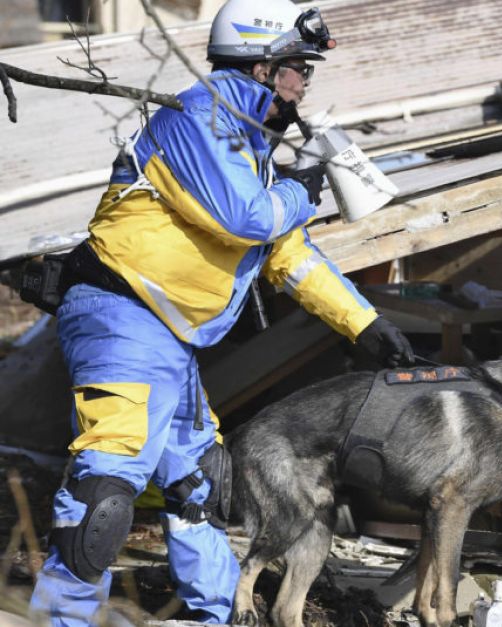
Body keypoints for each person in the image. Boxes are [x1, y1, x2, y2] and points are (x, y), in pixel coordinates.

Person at [28, 0, 413, 623]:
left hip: (169, 335)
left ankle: (218, 615)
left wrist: (366, 324)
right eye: (299, 67)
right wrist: (301, 186)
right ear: (263, 66)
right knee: (107, 486)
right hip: (121, 312)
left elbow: (288, 256)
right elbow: (248, 219)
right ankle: (61, 617)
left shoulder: (248, 147)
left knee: (198, 482)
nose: (306, 82)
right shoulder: (202, 114)